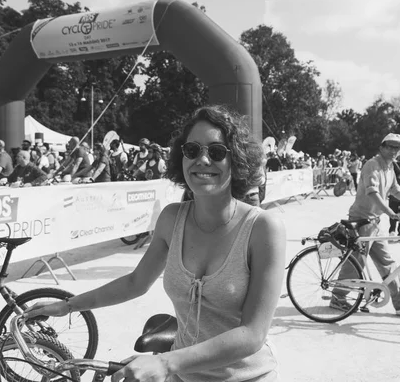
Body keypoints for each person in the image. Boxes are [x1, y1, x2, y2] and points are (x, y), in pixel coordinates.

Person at [24, 105, 286, 382]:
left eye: (217, 152)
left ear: (237, 160)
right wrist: (68, 305)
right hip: (182, 374)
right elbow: (135, 282)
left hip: (247, 376)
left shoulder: (263, 228)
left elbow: (252, 334)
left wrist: (164, 362)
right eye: (193, 150)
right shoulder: (172, 218)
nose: (203, 160)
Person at [333, 133, 400, 316]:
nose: (394, 151)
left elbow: (396, 192)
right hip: (360, 220)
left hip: (374, 222)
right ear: (381, 147)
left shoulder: (390, 167)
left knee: (387, 262)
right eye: (390, 147)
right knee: (357, 262)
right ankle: (338, 296)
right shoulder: (372, 165)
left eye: (397, 148)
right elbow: (372, 193)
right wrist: (391, 213)